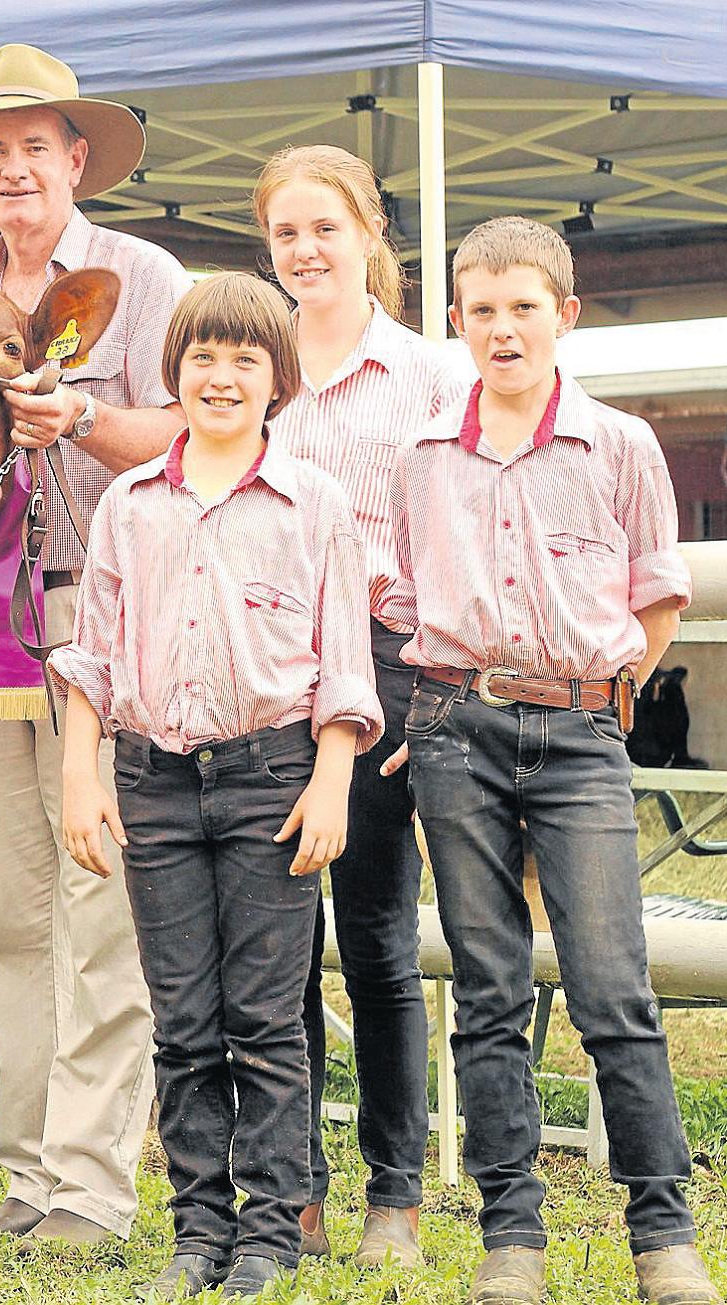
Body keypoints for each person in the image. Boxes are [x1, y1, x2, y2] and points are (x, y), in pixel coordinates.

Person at [382, 217, 722, 1305]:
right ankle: (509, 1238)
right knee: (486, 986)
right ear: (455, 324)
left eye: (523, 306)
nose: (502, 328)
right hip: (455, 729)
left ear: (564, 316)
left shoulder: (619, 445)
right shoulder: (423, 455)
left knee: (612, 984)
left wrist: (604, 702)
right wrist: (422, 721)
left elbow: (655, 592)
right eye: (480, 310)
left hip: (579, 730)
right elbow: (398, 597)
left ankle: (662, 1232)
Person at [0, 43, 188, 1244]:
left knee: (100, 893)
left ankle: (92, 1184)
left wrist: (87, 420)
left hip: (111, 617)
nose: (15, 168)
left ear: (77, 159)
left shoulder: (143, 274)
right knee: (12, 906)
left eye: (36, 146)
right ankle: (26, 1175)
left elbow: (196, 430)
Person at [55, 273, 382, 1300]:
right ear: (174, 372)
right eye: (201, 357)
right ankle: (198, 1231)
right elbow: (92, 658)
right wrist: (82, 774)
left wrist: (332, 778)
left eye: (245, 359)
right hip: (154, 780)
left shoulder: (314, 502)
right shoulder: (129, 502)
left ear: (276, 379)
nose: (221, 376)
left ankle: (270, 1235)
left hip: (272, 777)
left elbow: (343, 663)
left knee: (267, 1016)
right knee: (184, 1018)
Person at [253, 143, 467, 1266]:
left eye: (325, 228)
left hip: (386, 672)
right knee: (281, 947)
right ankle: (292, 1188)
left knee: (376, 941)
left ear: (371, 232)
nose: (304, 251)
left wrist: (426, 664)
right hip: (271, 676)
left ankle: (395, 1193)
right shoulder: (253, 369)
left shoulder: (428, 373)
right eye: (286, 233)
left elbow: (465, 516)